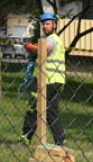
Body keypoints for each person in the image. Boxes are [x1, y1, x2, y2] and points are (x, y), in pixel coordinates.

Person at [20, 11, 67, 147]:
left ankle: (25, 138)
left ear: (54, 25)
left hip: (46, 82)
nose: (45, 26)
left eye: (48, 24)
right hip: (57, 81)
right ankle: (60, 141)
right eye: (43, 24)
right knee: (52, 112)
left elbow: (44, 49)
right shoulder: (57, 40)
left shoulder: (51, 39)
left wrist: (30, 47)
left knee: (33, 109)